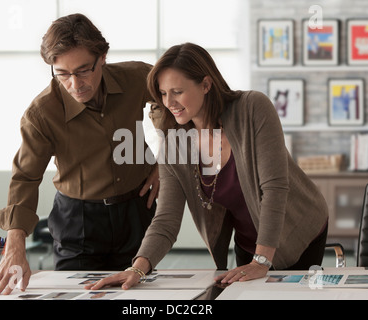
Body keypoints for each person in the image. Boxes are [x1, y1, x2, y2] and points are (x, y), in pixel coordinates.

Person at [88, 42, 328, 291]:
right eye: (162, 93)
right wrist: (137, 268)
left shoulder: (253, 108)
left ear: (205, 84)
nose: (169, 102)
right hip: (249, 240)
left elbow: (275, 188)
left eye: (177, 91)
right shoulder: (174, 144)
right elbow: (166, 219)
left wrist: (263, 259)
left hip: (297, 226)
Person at [0, 13, 159, 295]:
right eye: (62, 74)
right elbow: (26, 177)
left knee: (138, 296)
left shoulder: (137, 77)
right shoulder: (41, 113)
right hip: (79, 222)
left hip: (136, 210)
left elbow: (175, 101)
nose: (75, 85)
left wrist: (166, 162)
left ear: (102, 56)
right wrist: (15, 242)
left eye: (83, 71)